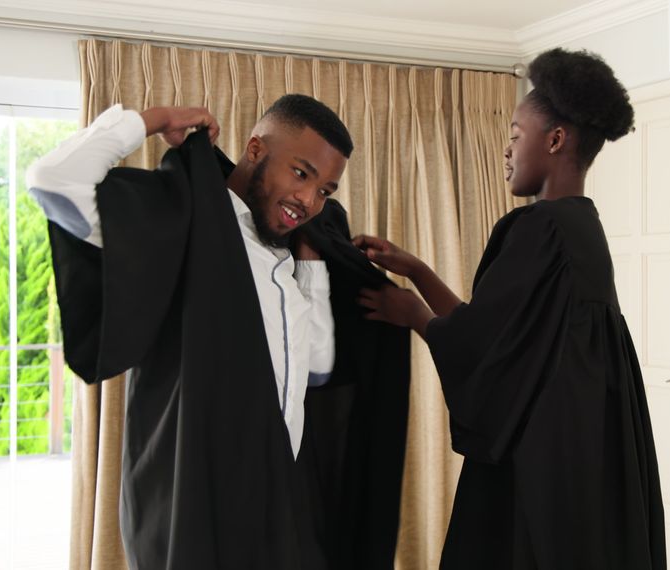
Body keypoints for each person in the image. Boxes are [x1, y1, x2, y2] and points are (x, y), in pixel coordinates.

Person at [28, 95, 409, 569]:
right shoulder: (182, 220)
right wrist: (152, 120)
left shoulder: (287, 261)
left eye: (325, 191)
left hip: (271, 506)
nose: (310, 201)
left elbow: (316, 368)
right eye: (301, 173)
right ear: (255, 150)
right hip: (191, 502)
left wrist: (311, 266)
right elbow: (53, 181)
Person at [355, 48, 667, 569]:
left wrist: (413, 315)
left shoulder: (539, 227)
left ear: (556, 139)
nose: (506, 150)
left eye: (515, 136)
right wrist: (419, 271)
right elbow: (499, 335)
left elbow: (481, 348)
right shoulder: (581, 228)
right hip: (581, 458)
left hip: (536, 464)